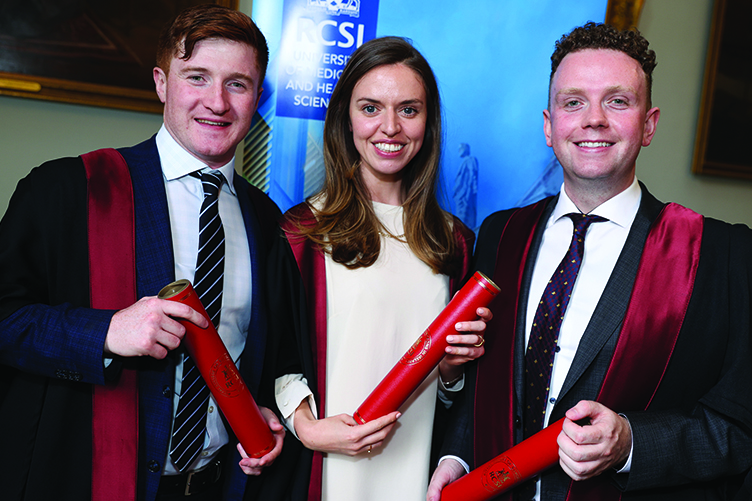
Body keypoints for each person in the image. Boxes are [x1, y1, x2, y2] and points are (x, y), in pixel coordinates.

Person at [427, 22, 752, 501]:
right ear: (548, 125)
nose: (593, 119)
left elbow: (740, 429)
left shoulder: (721, 256)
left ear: (649, 124)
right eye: (573, 102)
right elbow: (481, 382)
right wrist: (457, 456)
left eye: (617, 101)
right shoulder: (501, 235)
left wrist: (631, 443)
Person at [0, 5, 287, 500]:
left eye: (237, 84)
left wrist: (262, 412)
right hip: (85, 481)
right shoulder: (69, 190)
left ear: (258, 97)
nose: (216, 102)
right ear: (161, 83)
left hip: (217, 487)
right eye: (196, 77)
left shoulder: (268, 221)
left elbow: (259, 351)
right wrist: (105, 332)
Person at [264, 36, 490, 501]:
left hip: (416, 475)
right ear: (346, 120)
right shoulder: (302, 232)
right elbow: (277, 354)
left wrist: (450, 370)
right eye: (371, 108)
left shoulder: (455, 244)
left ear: (428, 123)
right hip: (326, 472)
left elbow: (461, 398)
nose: (390, 128)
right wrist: (307, 428)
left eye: (409, 110)